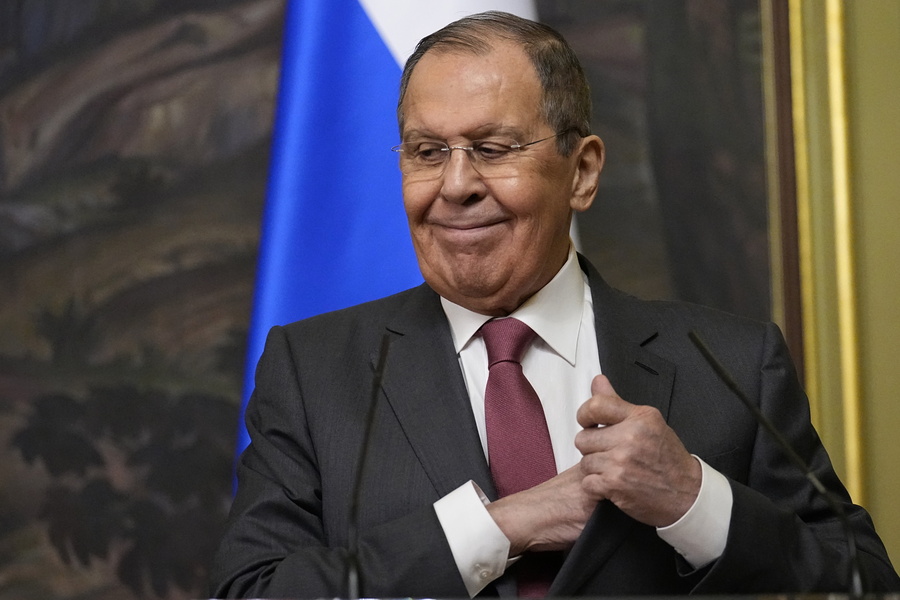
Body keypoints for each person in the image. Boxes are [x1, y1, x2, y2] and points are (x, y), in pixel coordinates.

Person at [210, 11, 899, 598]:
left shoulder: (731, 364)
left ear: (583, 172)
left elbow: (864, 582)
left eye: (492, 148)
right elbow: (253, 590)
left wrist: (693, 500)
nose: (454, 185)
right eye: (427, 151)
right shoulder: (314, 371)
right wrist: (502, 526)